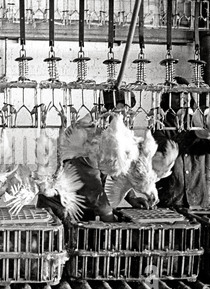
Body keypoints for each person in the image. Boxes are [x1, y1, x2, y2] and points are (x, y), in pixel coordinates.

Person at [37, 89, 148, 223]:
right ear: (112, 108)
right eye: (124, 110)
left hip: (80, 205)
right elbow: (92, 189)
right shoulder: (85, 134)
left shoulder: (111, 133)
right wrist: (109, 217)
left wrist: (130, 196)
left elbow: (114, 168)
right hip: (59, 207)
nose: (127, 116)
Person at [151, 76, 210, 210]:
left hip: (196, 199)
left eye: (186, 93)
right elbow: (167, 147)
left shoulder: (198, 122)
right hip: (170, 198)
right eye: (176, 94)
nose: (182, 98)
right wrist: (193, 133)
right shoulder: (158, 124)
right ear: (166, 98)